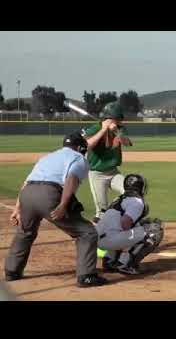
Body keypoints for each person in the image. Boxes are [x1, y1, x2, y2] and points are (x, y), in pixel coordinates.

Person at [4, 132, 107, 288]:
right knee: (87, 232)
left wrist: (18, 208)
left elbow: (27, 182)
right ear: (80, 147)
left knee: (25, 232)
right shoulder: (79, 158)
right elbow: (71, 179)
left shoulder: (47, 157)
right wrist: (63, 205)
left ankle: (12, 271)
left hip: (28, 194)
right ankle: (86, 276)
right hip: (48, 195)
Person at [95, 174, 164, 275]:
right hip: (111, 240)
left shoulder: (119, 199)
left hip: (98, 239)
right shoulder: (136, 202)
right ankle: (126, 264)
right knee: (154, 231)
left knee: (121, 229)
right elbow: (125, 223)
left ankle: (110, 260)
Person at [81, 101, 133, 224]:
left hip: (114, 172)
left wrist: (116, 132)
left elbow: (127, 143)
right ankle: (94, 239)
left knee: (131, 193)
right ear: (112, 118)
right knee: (101, 212)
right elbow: (87, 146)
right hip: (97, 175)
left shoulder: (120, 128)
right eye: (118, 119)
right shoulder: (95, 129)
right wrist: (103, 130)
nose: (121, 122)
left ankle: (116, 213)